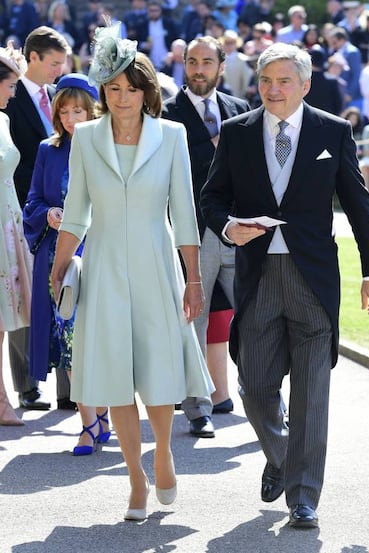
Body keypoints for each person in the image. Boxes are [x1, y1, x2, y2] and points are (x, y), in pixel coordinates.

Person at [200, 42, 369, 529]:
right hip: (258, 277)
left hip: (314, 281)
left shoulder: (334, 130)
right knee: (255, 387)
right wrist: (227, 227)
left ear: (305, 85)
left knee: (311, 395)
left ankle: (303, 496)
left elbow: (358, 204)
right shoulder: (237, 132)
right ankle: (281, 456)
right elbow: (212, 198)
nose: (273, 89)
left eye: (284, 81)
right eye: (265, 80)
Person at [51, 22, 214, 520]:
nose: (123, 98)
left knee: (159, 369)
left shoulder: (173, 135)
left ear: (147, 92)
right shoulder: (86, 139)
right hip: (101, 268)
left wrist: (193, 278)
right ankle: (136, 479)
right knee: (116, 374)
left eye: (132, 88)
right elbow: (76, 211)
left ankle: (163, 452)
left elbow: (184, 212)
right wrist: (59, 269)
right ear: (103, 89)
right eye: (114, 88)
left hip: (157, 264)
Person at [162, 36, 250, 437]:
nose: (198, 69)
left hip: (239, 231)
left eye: (206, 62)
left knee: (254, 318)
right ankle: (197, 406)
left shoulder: (239, 109)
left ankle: (265, 396)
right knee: (193, 319)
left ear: (221, 64)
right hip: (191, 233)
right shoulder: (165, 113)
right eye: (191, 61)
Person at [23, 73, 110, 454]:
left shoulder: (109, 147)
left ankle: (104, 414)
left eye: (79, 109)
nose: (72, 117)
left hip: (102, 253)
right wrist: (50, 214)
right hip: (60, 258)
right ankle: (88, 422)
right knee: (69, 340)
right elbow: (32, 202)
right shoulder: (48, 149)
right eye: (65, 110)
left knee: (104, 340)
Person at [3, 26, 72, 411]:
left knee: (66, 291)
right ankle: (27, 385)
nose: (58, 70)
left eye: (62, 64)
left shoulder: (59, 98)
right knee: (23, 295)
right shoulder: (8, 100)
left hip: (64, 213)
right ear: (33, 58)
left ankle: (68, 387)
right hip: (21, 211)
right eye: (53, 63)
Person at [0, 42, 32, 426]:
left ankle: (3, 399)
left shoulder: (4, 120)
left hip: (9, 220)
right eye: (10, 85)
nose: (13, 91)